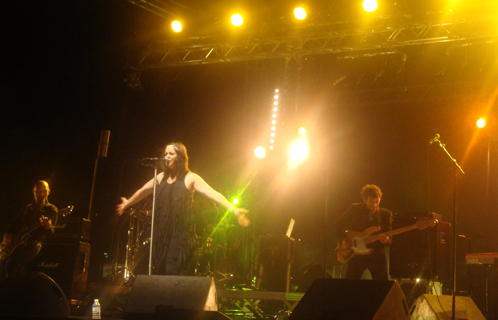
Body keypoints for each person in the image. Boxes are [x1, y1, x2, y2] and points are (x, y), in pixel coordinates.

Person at [117, 142, 250, 276]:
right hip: (161, 232)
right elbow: (142, 191)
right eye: (166, 154)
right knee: (159, 270)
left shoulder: (190, 178)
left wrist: (234, 209)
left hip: (180, 233)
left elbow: (213, 193)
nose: (167, 156)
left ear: (180, 157)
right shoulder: (160, 177)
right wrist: (127, 203)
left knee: (172, 270)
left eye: (171, 154)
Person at [0, 180, 57, 279]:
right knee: (2, 263)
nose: (41, 194)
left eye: (44, 191)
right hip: (19, 244)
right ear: (33, 191)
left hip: (34, 245)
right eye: (38, 192)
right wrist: (8, 235)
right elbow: (15, 225)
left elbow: (51, 233)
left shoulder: (51, 210)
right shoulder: (28, 209)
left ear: (48, 192)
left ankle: (16, 289)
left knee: (13, 265)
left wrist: (48, 227)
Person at [335, 184, 392, 280]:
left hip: (376, 255)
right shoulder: (355, 209)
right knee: (348, 286)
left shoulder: (386, 214)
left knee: (383, 287)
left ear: (380, 198)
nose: (374, 205)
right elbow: (338, 224)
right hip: (356, 255)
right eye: (371, 202)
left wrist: (385, 241)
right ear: (364, 199)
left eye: (377, 201)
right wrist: (343, 240)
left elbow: (389, 238)